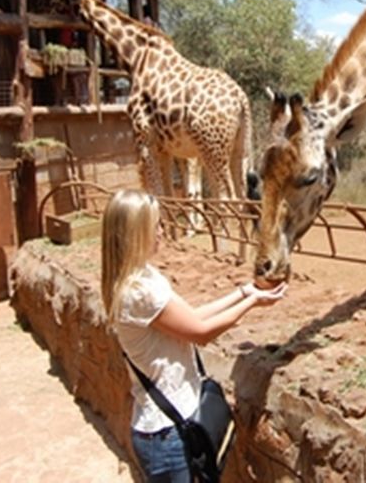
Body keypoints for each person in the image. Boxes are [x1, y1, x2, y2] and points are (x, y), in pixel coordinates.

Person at [100, 189, 286, 482]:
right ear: (135, 234)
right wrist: (252, 303)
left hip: (174, 427)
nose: (162, 232)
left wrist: (243, 292)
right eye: (155, 226)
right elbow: (201, 333)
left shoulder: (143, 277)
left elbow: (193, 317)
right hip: (166, 436)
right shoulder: (139, 291)